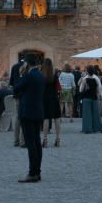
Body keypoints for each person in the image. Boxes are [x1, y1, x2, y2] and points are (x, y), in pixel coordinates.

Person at [14, 53, 45, 183]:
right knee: (36, 142)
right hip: (37, 111)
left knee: (31, 143)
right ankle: (37, 171)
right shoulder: (40, 75)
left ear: (27, 63)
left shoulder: (28, 76)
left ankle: (32, 172)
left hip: (27, 112)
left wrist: (20, 74)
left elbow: (16, 88)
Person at [41, 58, 62, 147]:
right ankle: (57, 139)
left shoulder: (42, 75)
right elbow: (58, 88)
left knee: (45, 119)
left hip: (45, 99)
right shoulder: (55, 75)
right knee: (56, 118)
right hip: (54, 98)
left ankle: (45, 139)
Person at [79, 65, 102, 134]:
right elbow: (99, 88)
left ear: (87, 71)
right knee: (96, 114)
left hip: (86, 97)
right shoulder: (96, 78)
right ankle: (97, 127)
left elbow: (81, 89)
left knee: (87, 114)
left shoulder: (85, 79)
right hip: (94, 97)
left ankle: (87, 128)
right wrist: (100, 96)